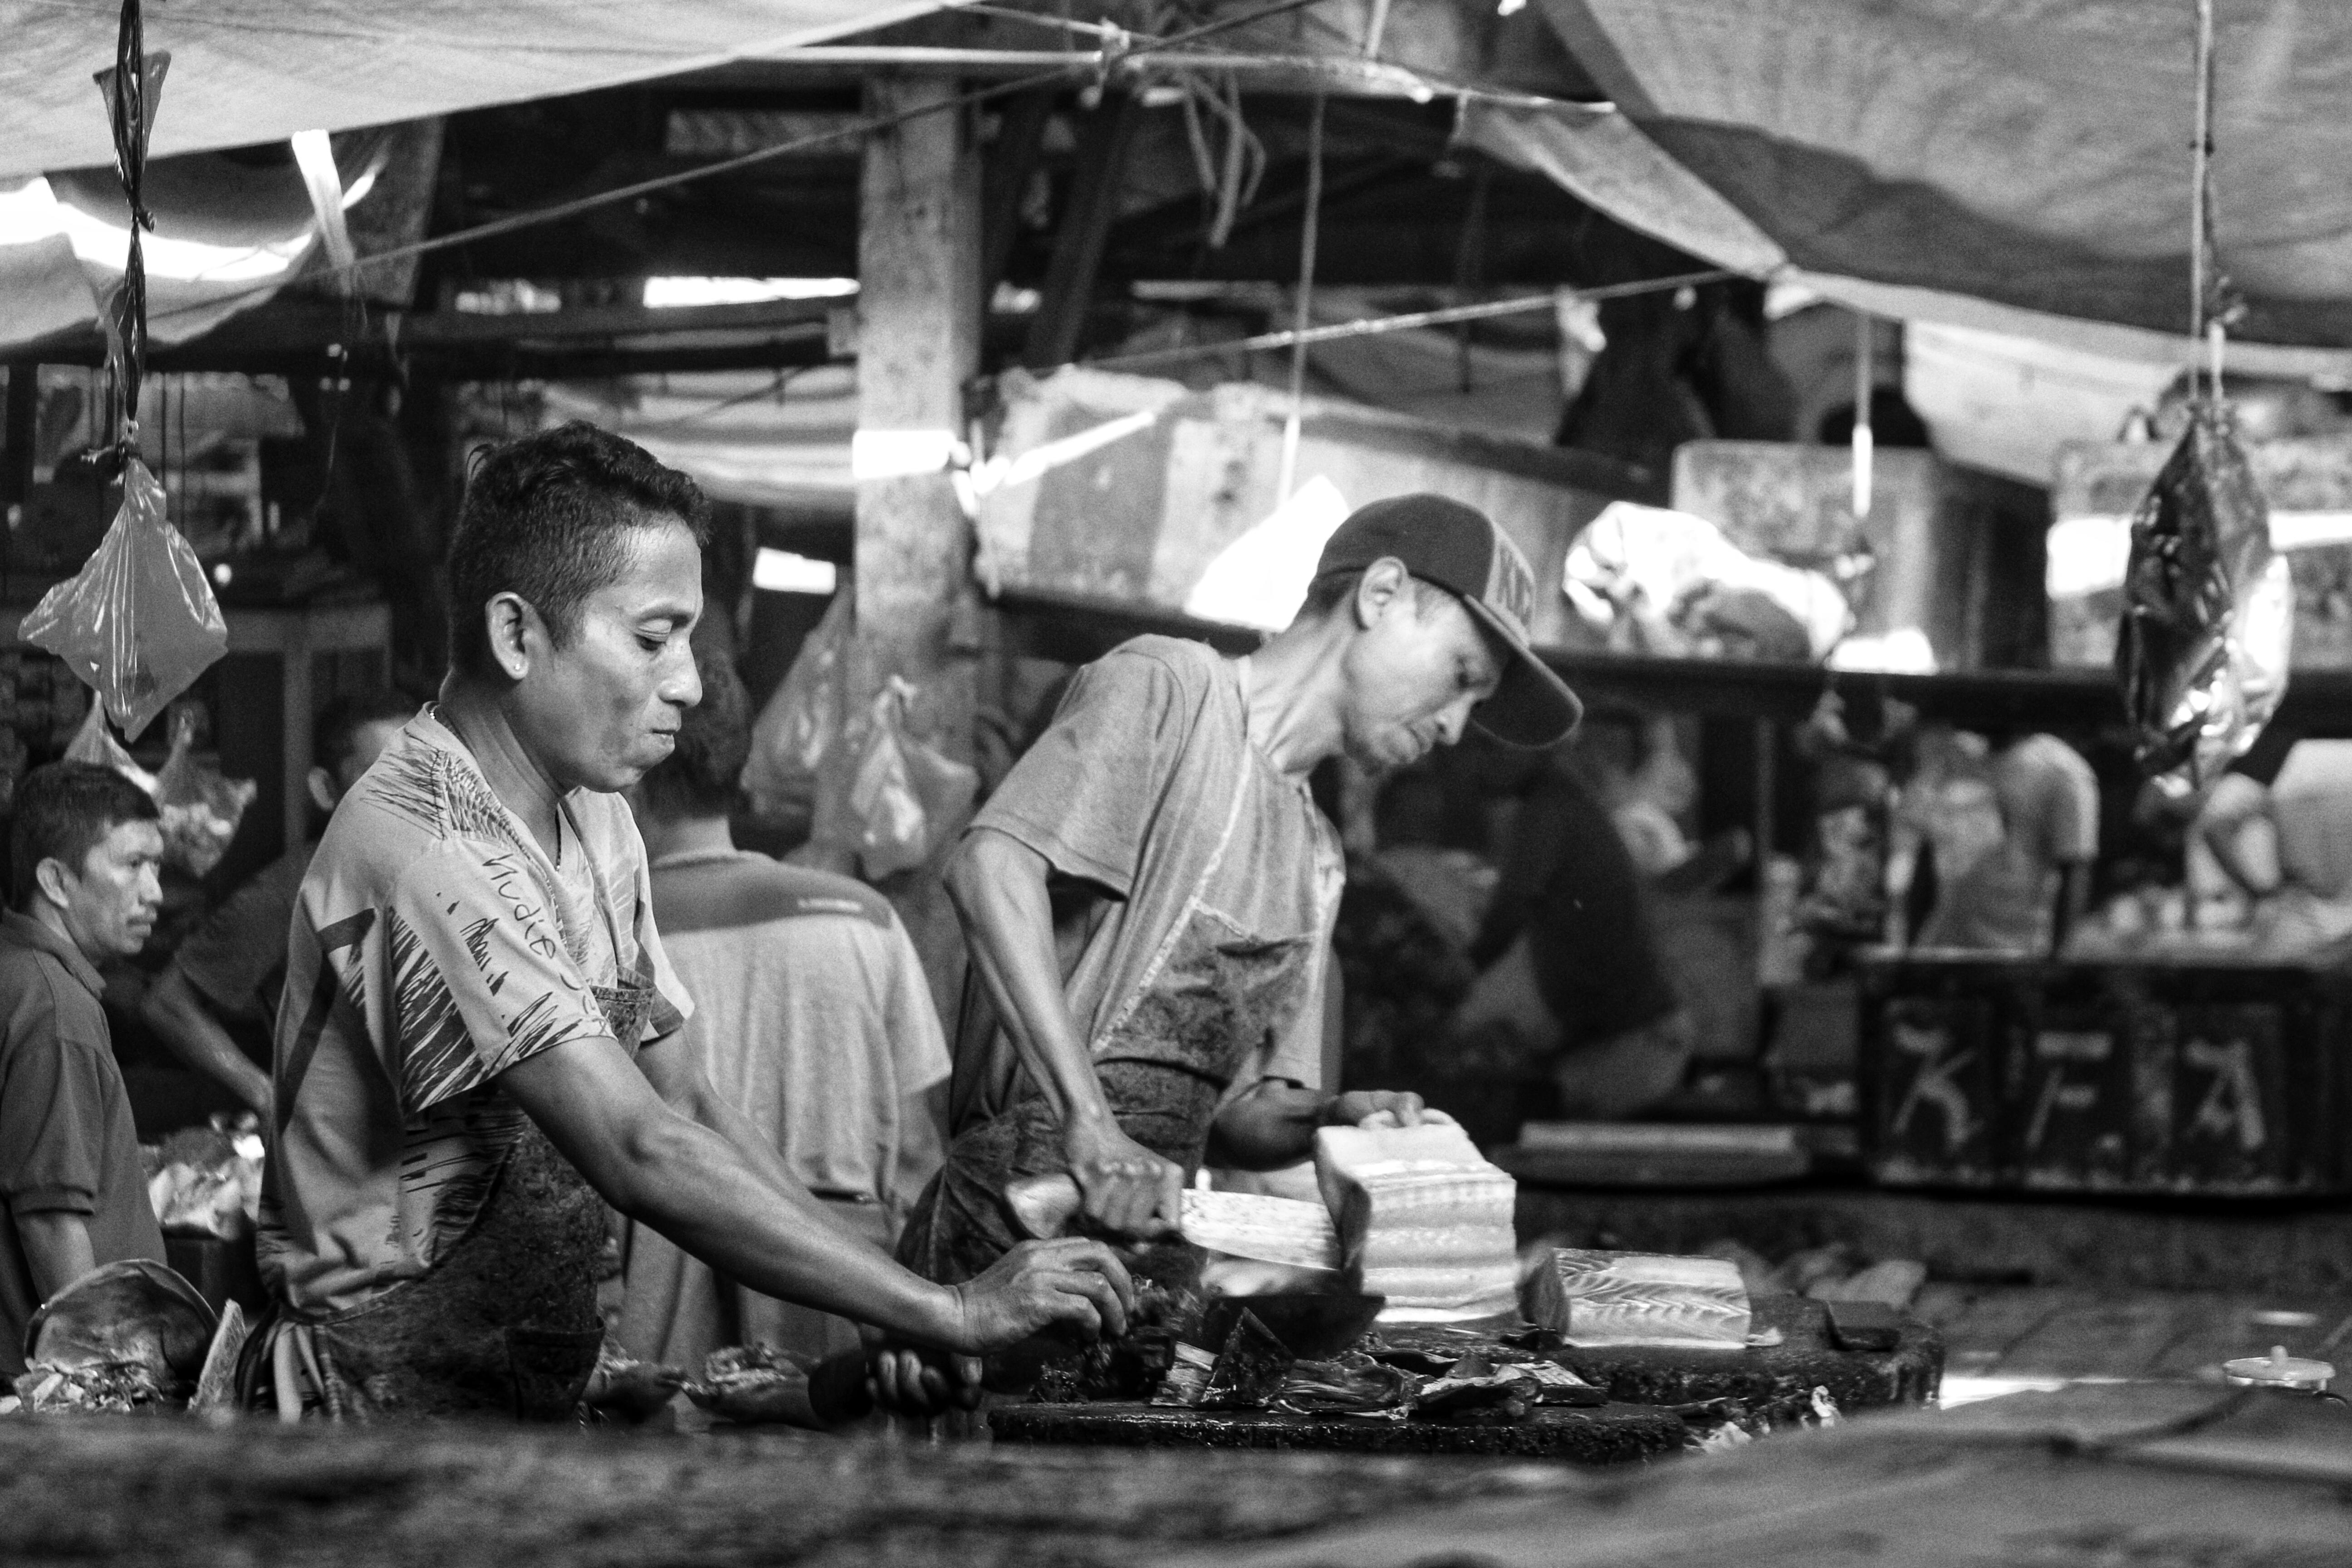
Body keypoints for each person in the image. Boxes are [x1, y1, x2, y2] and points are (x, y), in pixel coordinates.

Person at [253, 421, 1129, 1422]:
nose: (691, 683)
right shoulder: (431, 848)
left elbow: (689, 1106)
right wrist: (955, 1307)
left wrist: (890, 1308)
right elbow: (639, 1151)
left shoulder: (597, 816)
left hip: (509, 1394)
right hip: (375, 1406)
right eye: (653, 637)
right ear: (515, 636)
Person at [899, 493, 1583, 1288]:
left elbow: (1229, 1114)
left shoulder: (1316, 858)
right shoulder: (1167, 690)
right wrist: (1090, 1123)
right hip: (1012, 1229)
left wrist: (1326, 1118)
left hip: (1144, 1261)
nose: (1456, 728)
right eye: (1460, 677)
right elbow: (989, 867)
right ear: (1381, 595)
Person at [618, 644, 952, 1370]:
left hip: (655, 1297)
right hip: (843, 1289)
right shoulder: (864, 918)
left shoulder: (602, 933)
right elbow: (919, 1155)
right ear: (742, 771)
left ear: (631, 780)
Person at [141, 689, 415, 1117]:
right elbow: (168, 1003)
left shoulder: (432, 874)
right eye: (383, 778)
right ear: (326, 789)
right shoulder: (292, 891)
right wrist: (266, 1096)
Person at [0, 762, 169, 1376]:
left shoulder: (20, 970)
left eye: (158, 868)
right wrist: (107, 1381)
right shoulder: (54, 1007)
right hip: (44, 1385)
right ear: (57, 881)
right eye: (132, 866)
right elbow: (49, 1219)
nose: (155, 893)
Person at [1456, 741, 1693, 1128]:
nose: (1479, 764)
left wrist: (1452, 980)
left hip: (1631, 1048)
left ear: (1531, 748)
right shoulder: (1563, 802)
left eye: (1490, 751)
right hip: (1622, 1044)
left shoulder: (1551, 807)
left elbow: (1510, 911)